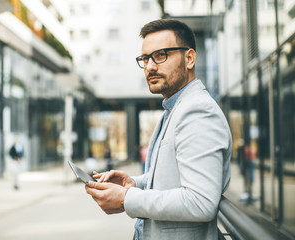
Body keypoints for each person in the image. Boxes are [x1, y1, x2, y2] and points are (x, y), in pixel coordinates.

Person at [85, 18, 232, 240]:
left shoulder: (197, 111)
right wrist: (136, 183)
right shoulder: (175, 108)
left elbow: (201, 201)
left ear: (189, 58)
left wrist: (127, 198)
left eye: (161, 55)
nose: (151, 66)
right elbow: (175, 177)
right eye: (145, 58)